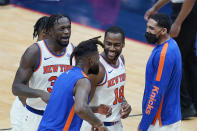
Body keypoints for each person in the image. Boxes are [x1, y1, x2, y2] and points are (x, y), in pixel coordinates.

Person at [12, 13, 75, 131]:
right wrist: (41, 93)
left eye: (68, 28)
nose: (66, 32)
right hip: (36, 116)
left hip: (60, 118)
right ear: (50, 31)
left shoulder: (73, 51)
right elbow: (16, 87)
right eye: (62, 29)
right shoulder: (34, 52)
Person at [38, 39, 112, 131]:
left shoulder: (63, 75)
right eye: (98, 59)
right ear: (91, 61)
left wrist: (96, 109)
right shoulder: (83, 80)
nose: (99, 63)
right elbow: (80, 108)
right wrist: (99, 124)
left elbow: (67, 106)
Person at [144, 0, 197, 120]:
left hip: (185, 11)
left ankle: (184, 105)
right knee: (188, 58)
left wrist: (178, 22)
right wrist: (156, 7)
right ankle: (193, 101)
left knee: (175, 60)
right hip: (187, 11)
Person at [80, 26, 131, 131]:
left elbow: (116, 91)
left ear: (123, 44)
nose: (112, 48)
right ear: (103, 42)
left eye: (116, 45)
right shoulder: (97, 69)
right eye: (108, 44)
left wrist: (124, 104)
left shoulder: (121, 59)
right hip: (97, 126)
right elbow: (82, 105)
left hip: (116, 124)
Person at [138, 13, 182, 131]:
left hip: (160, 122)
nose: (147, 31)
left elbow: (156, 92)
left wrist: (143, 125)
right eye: (147, 27)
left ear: (163, 31)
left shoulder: (164, 55)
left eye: (152, 29)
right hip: (169, 117)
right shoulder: (170, 44)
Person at [10, 16, 49, 131]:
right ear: (44, 32)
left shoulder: (50, 53)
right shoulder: (32, 54)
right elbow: (21, 94)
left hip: (39, 110)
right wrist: (32, 114)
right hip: (25, 111)